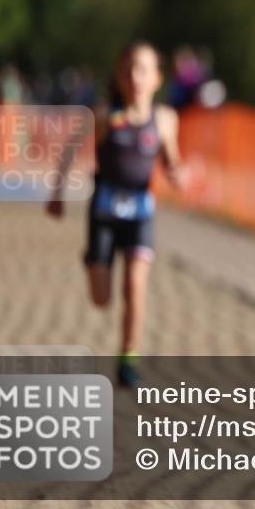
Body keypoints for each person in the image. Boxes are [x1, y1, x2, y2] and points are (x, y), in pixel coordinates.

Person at [47, 42, 186, 387]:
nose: (134, 77)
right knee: (101, 298)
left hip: (141, 212)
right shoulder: (105, 115)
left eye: (142, 69)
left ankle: (128, 357)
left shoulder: (166, 120)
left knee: (135, 286)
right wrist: (57, 194)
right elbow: (68, 152)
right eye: (128, 69)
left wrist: (178, 174)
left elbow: (172, 161)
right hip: (105, 211)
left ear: (157, 78)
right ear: (119, 77)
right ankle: (94, 258)